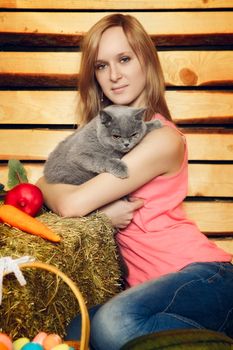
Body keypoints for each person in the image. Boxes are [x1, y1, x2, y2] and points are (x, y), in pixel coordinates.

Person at [36, 13, 233, 350]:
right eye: (101, 66)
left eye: (124, 59)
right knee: (79, 325)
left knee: (114, 323)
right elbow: (42, 183)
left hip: (206, 276)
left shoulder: (162, 139)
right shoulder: (101, 140)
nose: (114, 75)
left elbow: (69, 203)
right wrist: (101, 213)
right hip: (150, 295)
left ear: (146, 61)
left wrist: (82, 204)